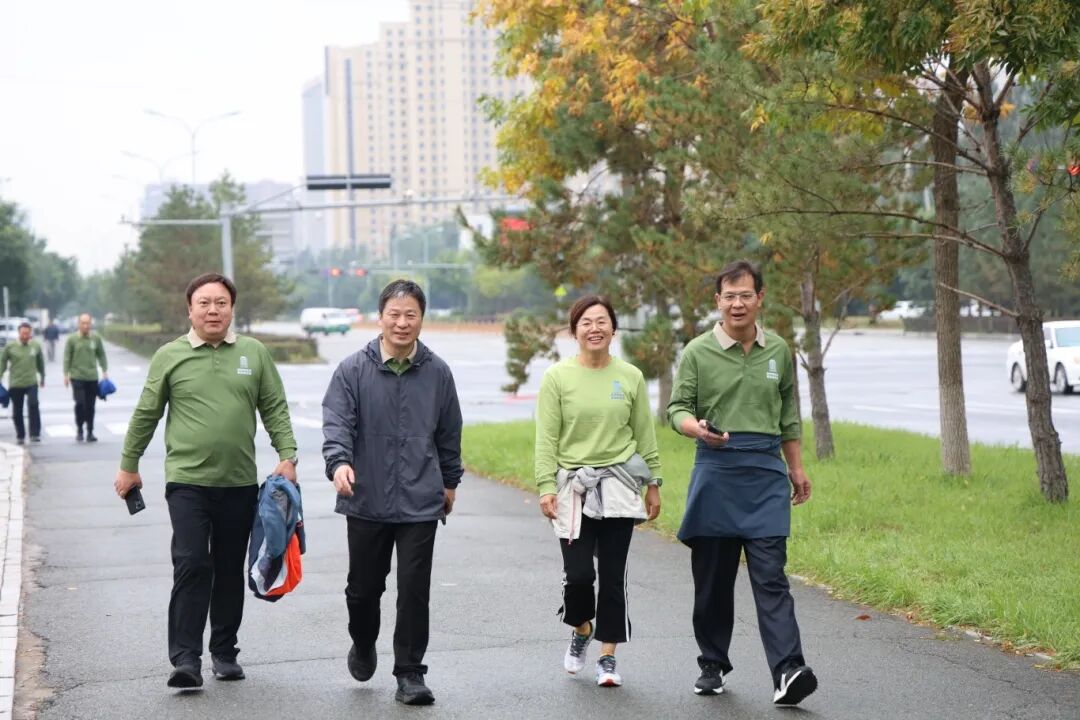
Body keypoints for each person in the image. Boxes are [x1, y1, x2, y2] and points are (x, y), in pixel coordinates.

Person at [113, 273, 298, 689]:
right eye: (204, 303)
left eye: (221, 303)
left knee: (229, 568)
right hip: (187, 482)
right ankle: (185, 658)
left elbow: (274, 407)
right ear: (190, 310)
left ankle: (225, 652)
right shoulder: (170, 356)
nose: (213, 311)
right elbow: (146, 413)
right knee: (193, 562)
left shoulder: (253, 353)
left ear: (232, 309)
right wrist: (129, 464)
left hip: (238, 483)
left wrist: (287, 456)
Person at [667, 259, 817, 707]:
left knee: (771, 576)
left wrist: (796, 467)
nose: (737, 303)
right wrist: (697, 429)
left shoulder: (779, 351)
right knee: (713, 580)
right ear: (718, 301)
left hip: (766, 472)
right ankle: (712, 663)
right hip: (716, 470)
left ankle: (788, 670)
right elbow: (677, 409)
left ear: (760, 298)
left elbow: (788, 416)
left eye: (745, 295)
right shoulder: (697, 351)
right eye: (729, 296)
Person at [322, 279, 462, 707]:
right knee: (363, 589)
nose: (402, 323)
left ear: (422, 319)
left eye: (411, 315)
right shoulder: (352, 370)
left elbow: (449, 433)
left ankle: (410, 672)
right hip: (366, 495)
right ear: (380, 317)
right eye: (394, 314)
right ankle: (363, 641)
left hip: (421, 497)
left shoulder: (437, 372)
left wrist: (450, 482)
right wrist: (339, 463)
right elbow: (337, 424)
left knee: (414, 589)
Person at [535, 295, 662, 688]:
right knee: (577, 575)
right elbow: (546, 438)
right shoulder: (557, 377)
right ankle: (582, 628)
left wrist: (654, 483)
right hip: (573, 488)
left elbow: (645, 434)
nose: (595, 328)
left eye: (602, 321)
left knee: (612, 576)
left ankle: (608, 657)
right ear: (574, 331)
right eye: (586, 322)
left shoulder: (630, 376)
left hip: (619, 485)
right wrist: (545, 486)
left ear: (613, 329)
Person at [63, 313, 108, 442]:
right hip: (77, 376)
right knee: (80, 404)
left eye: (87, 323)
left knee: (90, 406)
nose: (85, 325)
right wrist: (66, 374)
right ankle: (79, 429)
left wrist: (104, 370)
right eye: (83, 323)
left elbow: (101, 355)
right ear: (79, 324)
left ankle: (90, 431)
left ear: (90, 323)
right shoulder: (72, 339)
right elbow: (67, 357)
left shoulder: (95, 338)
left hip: (92, 377)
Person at [0, 322, 45, 444]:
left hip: (31, 382)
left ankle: (34, 433)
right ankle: (20, 435)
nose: (25, 336)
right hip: (16, 383)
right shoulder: (10, 347)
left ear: (30, 333)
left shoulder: (35, 346)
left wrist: (42, 377)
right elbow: (2, 363)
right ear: (19, 333)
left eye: (27, 334)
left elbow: (40, 363)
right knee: (17, 410)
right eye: (23, 334)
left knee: (33, 405)